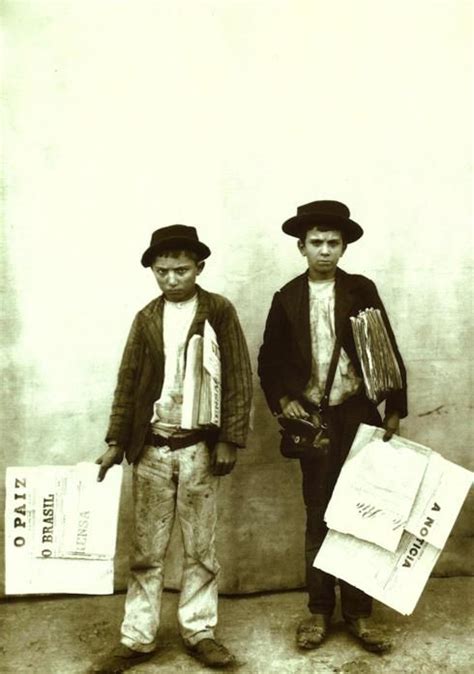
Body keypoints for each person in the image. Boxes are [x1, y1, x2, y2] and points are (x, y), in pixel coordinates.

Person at [92, 225, 252, 673]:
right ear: (153, 272)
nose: (171, 279)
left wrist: (227, 439)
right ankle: (137, 638)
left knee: (201, 547)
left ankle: (199, 630)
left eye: (181, 270)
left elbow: (239, 376)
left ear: (199, 267)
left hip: (199, 448)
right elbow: (127, 383)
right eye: (162, 271)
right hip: (152, 450)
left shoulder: (218, 311)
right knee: (146, 550)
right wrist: (114, 442)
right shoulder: (146, 318)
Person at [258, 200, 407, 654]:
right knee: (319, 515)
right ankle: (319, 611)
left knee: (361, 514)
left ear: (344, 247)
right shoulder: (287, 297)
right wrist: (285, 401)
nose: (325, 251)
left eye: (333, 243)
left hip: (356, 415)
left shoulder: (361, 290)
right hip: (316, 421)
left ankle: (359, 617)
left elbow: (385, 348)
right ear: (301, 247)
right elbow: (270, 359)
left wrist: (394, 408)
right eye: (316, 243)